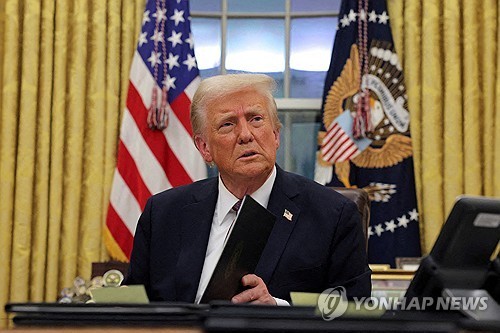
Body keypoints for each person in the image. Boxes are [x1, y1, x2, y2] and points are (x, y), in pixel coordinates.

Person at [125, 73, 371, 305]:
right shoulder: (163, 214)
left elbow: (353, 308)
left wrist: (278, 308)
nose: (245, 135)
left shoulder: (333, 215)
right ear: (204, 148)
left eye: (256, 119)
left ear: (276, 135)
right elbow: (132, 306)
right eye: (227, 124)